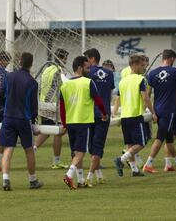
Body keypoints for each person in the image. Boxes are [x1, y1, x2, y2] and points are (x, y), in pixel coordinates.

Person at [60, 56, 108, 190]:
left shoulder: (65, 84)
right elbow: (98, 100)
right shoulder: (88, 82)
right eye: (87, 67)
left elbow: (62, 107)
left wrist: (64, 124)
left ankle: (80, 180)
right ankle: (69, 175)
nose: (89, 70)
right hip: (83, 121)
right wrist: (104, 113)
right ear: (80, 68)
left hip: (70, 122)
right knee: (80, 152)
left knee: (75, 152)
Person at [0, 52, 43, 191]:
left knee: (8, 148)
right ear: (31, 64)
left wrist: (5, 106)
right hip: (24, 119)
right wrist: (34, 121)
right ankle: (32, 180)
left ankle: (6, 179)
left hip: (8, 117)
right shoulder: (32, 82)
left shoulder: (9, 76)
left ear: (19, 61)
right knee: (29, 149)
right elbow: (34, 106)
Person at [113, 55, 157, 177]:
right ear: (135, 65)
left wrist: (114, 112)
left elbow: (118, 99)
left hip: (125, 117)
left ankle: (134, 170)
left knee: (130, 144)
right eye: (142, 65)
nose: (144, 68)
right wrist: (153, 113)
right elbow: (145, 98)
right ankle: (121, 159)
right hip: (135, 115)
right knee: (141, 143)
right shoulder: (140, 80)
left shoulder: (122, 81)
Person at [83, 49, 115, 185]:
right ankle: (99, 174)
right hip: (104, 113)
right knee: (98, 143)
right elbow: (110, 90)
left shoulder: (87, 73)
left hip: (90, 113)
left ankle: (89, 177)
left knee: (92, 145)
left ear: (91, 58)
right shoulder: (109, 73)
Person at [35, 48, 70, 169]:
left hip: (43, 102)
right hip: (53, 105)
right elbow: (65, 85)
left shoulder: (47, 69)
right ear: (63, 58)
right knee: (59, 132)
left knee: (47, 131)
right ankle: (56, 161)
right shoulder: (59, 70)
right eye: (66, 58)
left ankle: (33, 149)